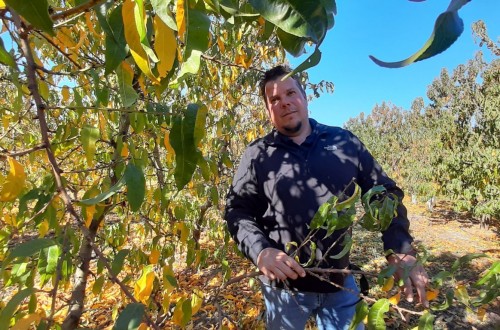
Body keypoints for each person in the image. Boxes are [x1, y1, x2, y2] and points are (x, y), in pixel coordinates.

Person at [224, 65, 428, 329]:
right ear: (268, 110)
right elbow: (236, 210)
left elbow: (384, 191)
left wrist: (400, 249)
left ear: (304, 97)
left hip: (340, 283)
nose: (284, 102)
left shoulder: (343, 142)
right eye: (274, 99)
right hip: (283, 291)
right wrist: (260, 251)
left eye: (290, 93)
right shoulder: (257, 155)